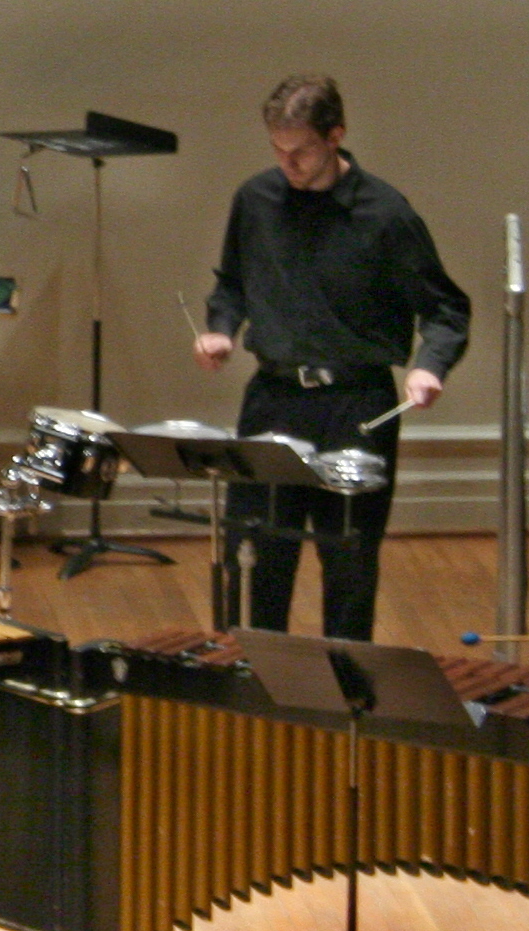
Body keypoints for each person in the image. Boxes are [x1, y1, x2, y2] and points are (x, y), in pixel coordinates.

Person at [194, 73, 469, 641]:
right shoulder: (255, 200)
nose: (287, 162)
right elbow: (231, 284)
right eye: (277, 148)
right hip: (272, 401)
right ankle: (257, 684)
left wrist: (428, 366)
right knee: (257, 557)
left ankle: (342, 701)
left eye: (301, 150)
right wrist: (222, 329)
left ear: (336, 135)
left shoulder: (386, 215)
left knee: (348, 565)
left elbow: (446, 309)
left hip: (355, 406)